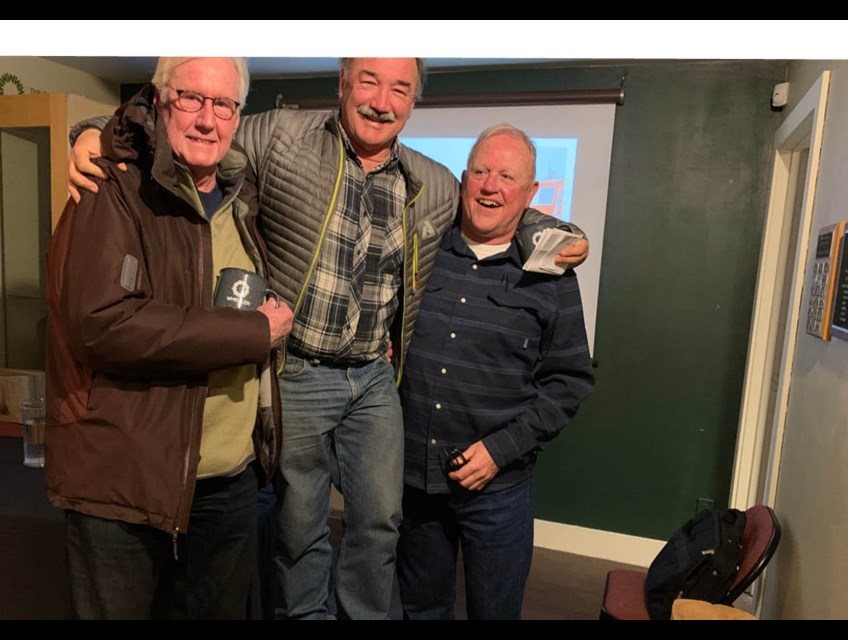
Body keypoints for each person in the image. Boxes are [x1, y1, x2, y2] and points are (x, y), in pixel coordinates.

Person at [66, 58, 591, 620]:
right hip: (298, 368)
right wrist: (92, 131)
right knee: (299, 526)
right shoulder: (282, 136)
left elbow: (498, 209)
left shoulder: (433, 183)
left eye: (399, 88)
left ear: (414, 101)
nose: (381, 101)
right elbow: (195, 125)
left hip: (371, 378)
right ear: (343, 83)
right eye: (368, 80)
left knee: (380, 521)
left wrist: (555, 231)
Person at [44, 57, 294, 620]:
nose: (208, 119)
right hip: (124, 482)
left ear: (237, 116)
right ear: (158, 99)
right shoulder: (110, 183)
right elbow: (105, 325)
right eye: (191, 98)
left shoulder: (241, 195)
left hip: (226, 484)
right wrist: (253, 332)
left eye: (223, 105)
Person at [396, 124, 595, 619]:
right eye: (481, 172)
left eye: (507, 176)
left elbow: (569, 381)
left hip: (497, 489)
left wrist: (499, 451)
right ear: (464, 180)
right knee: (420, 608)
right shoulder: (423, 250)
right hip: (414, 484)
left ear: (529, 195)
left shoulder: (551, 274)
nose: (491, 186)